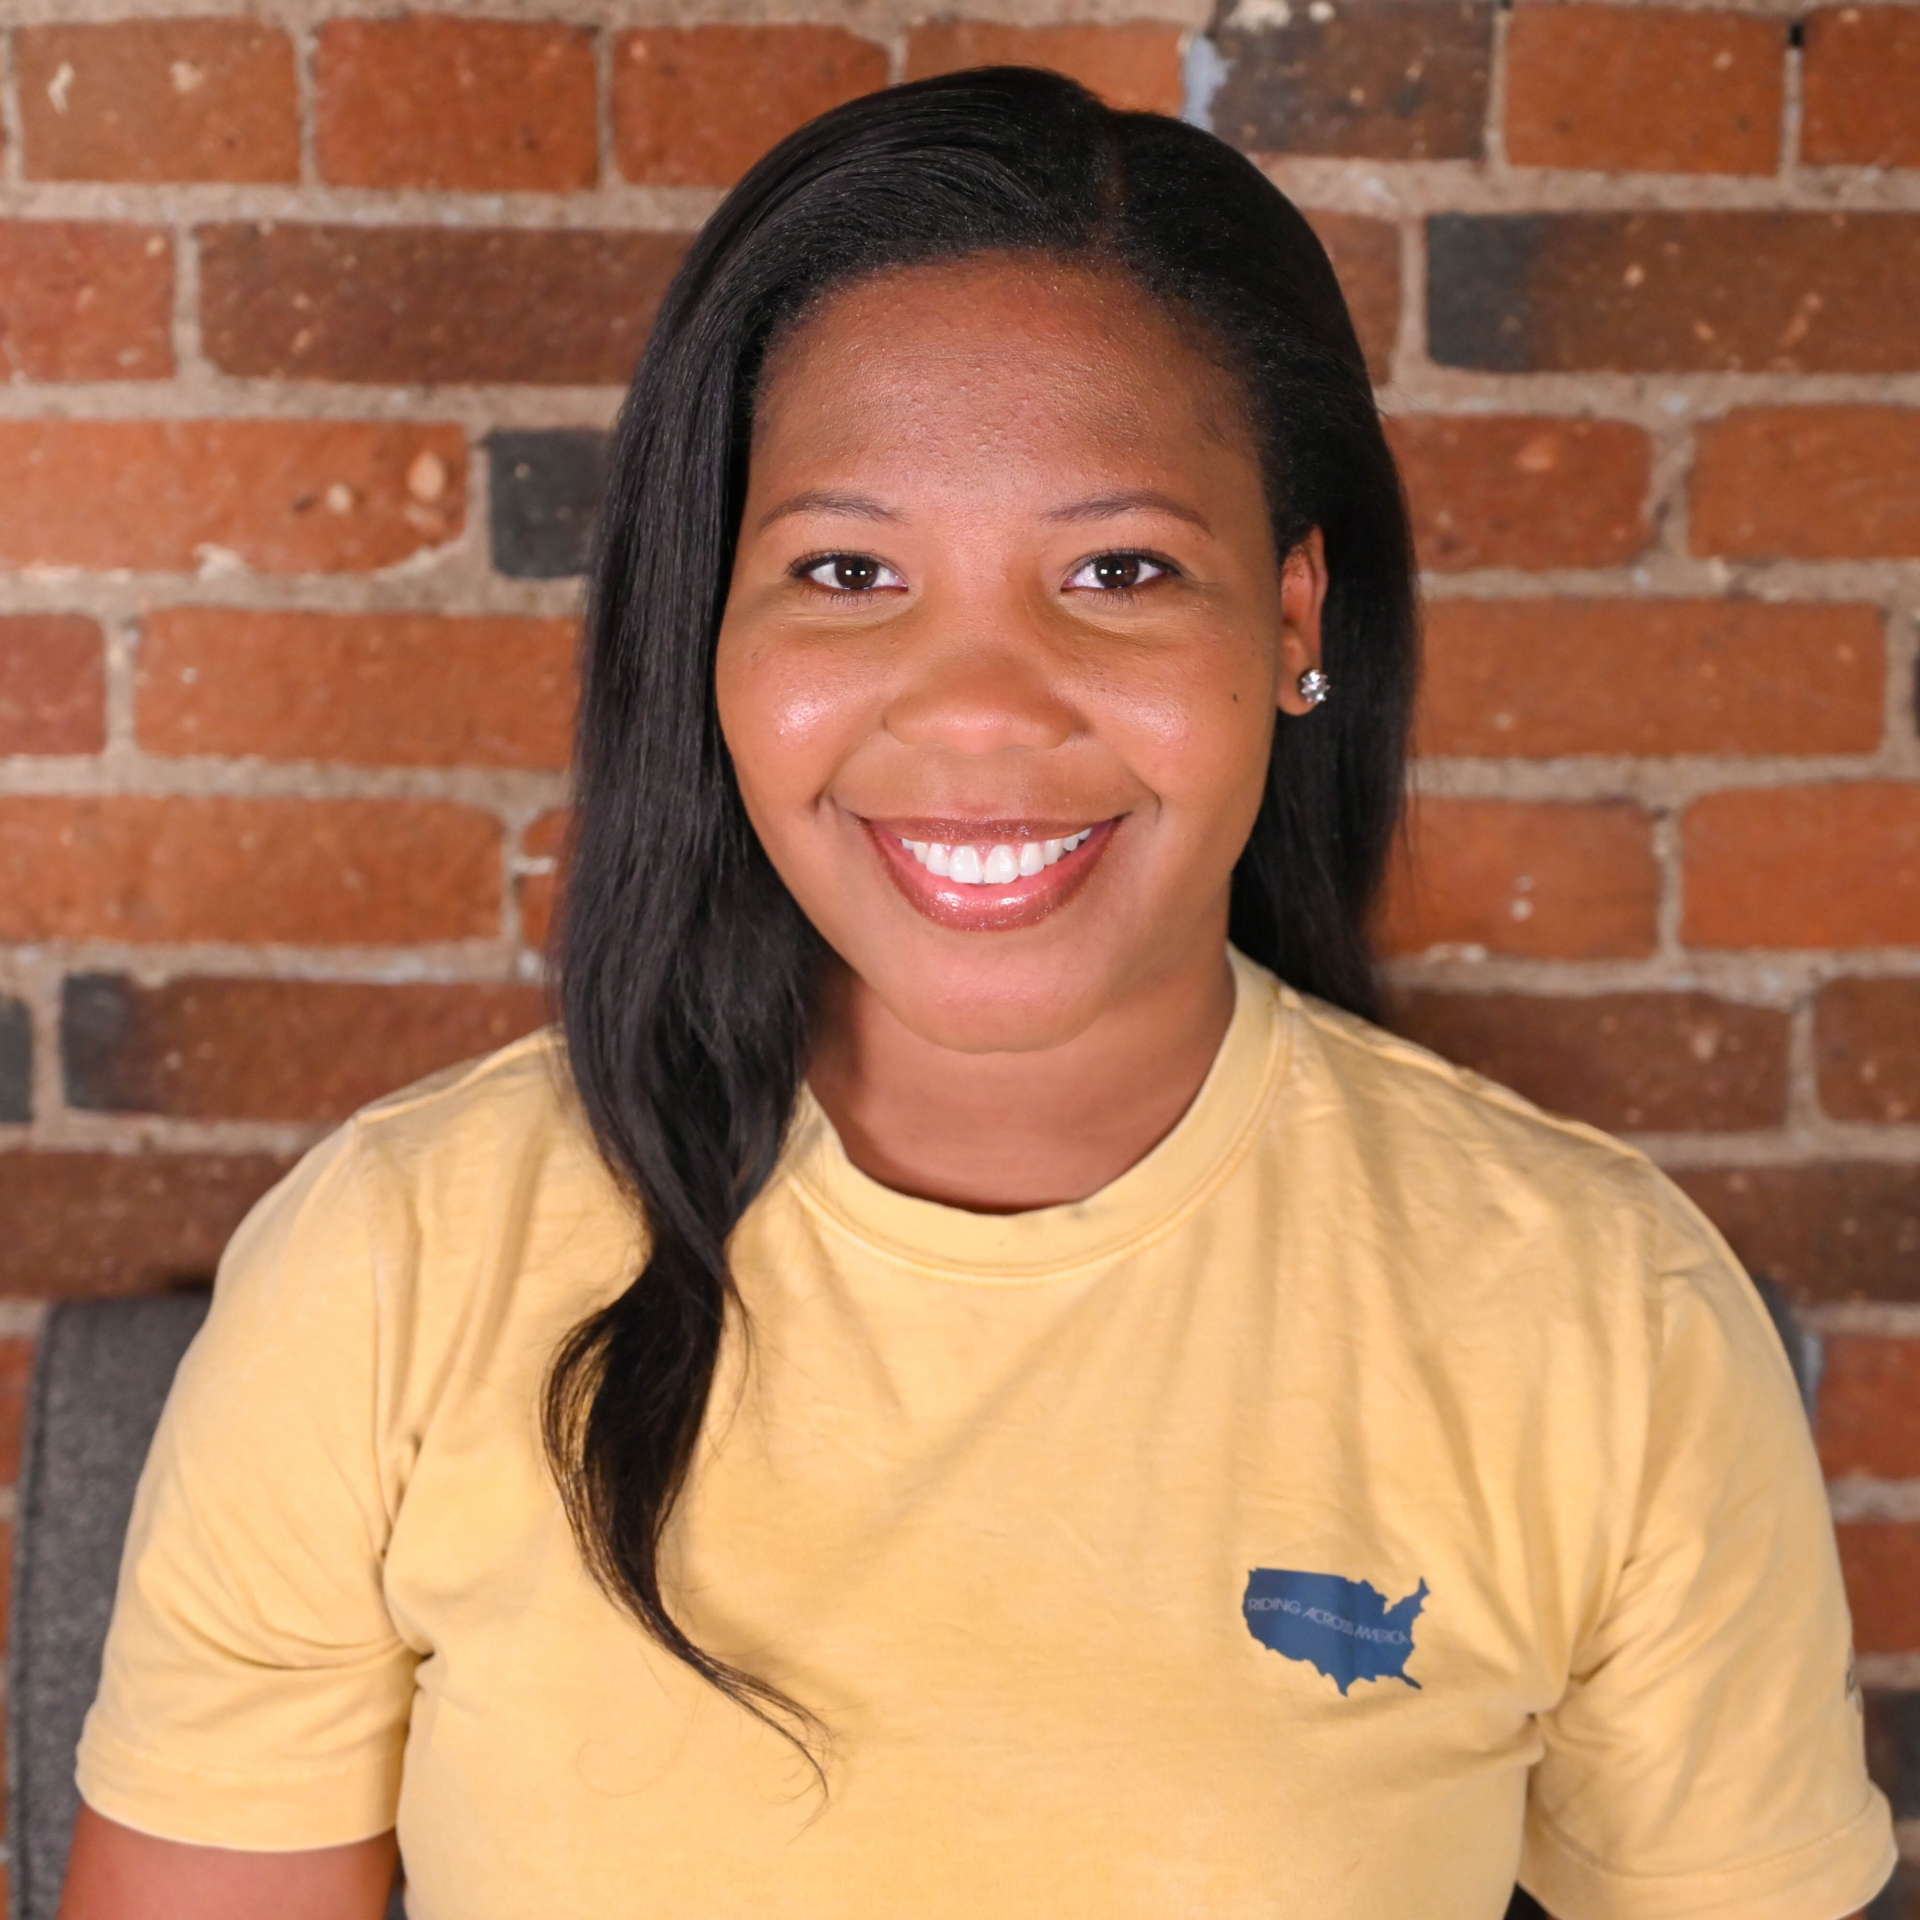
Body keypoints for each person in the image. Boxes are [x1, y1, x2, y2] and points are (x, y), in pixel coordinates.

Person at [60, 68, 1891, 1920]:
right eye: (849, 570)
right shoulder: (389, 1268)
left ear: (1291, 620)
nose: (979, 709)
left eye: (1118, 568)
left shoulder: (1600, 1315)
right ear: (713, 629)